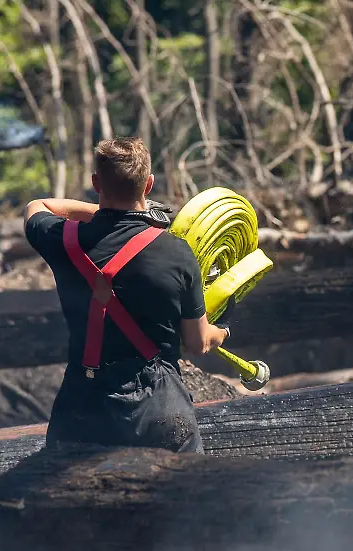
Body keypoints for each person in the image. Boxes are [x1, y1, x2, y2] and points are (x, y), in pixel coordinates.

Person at [23, 136, 232, 454]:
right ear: (148, 185)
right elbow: (197, 342)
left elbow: (37, 206)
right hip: (159, 412)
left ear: (96, 183)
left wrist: (101, 212)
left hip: (83, 406)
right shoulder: (176, 251)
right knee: (185, 502)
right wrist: (223, 329)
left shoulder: (62, 240)